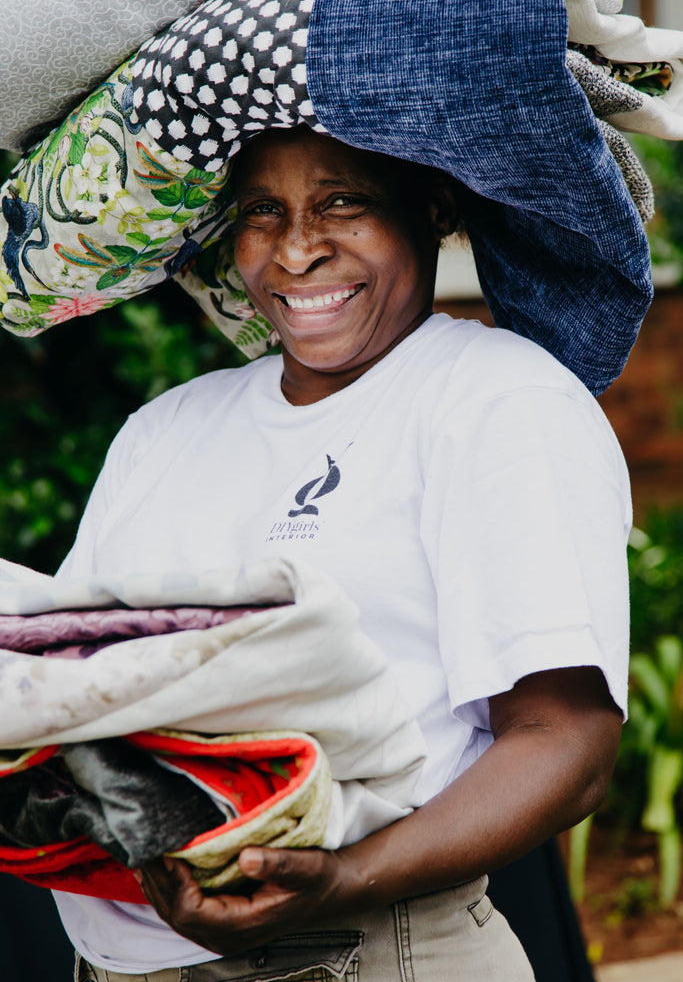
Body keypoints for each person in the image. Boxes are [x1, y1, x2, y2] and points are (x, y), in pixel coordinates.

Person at [55, 126, 629, 982]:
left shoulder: (493, 400)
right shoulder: (166, 430)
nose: (295, 247)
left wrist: (342, 878)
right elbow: (67, 689)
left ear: (431, 210)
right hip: (118, 961)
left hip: (363, 945)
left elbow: (564, 738)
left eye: (342, 202)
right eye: (260, 211)